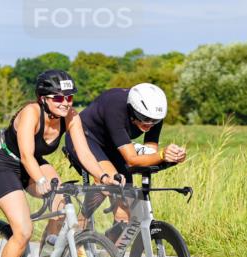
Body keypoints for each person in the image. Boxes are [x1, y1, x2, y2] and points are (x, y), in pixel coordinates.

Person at [0, 70, 119, 257]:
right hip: (6, 165)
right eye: (58, 97)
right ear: (43, 98)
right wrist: (40, 180)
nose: (65, 102)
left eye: (69, 97)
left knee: (64, 207)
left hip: (35, 164)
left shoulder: (71, 117)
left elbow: (85, 154)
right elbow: (26, 156)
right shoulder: (31, 113)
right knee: (23, 230)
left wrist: (103, 177)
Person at [63, 83, 186, 226]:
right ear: (132, 109)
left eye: (155, 121)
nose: (150, 124)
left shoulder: (154, 113)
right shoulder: (115, 106)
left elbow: (149, 154)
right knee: (111, 180)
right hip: (86, 138)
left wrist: (173, 157)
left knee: (125, 213)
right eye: (144, 118)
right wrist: (162, 155)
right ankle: (80, 223)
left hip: (112, 144)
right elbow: (132, 160)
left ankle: (112, 240)